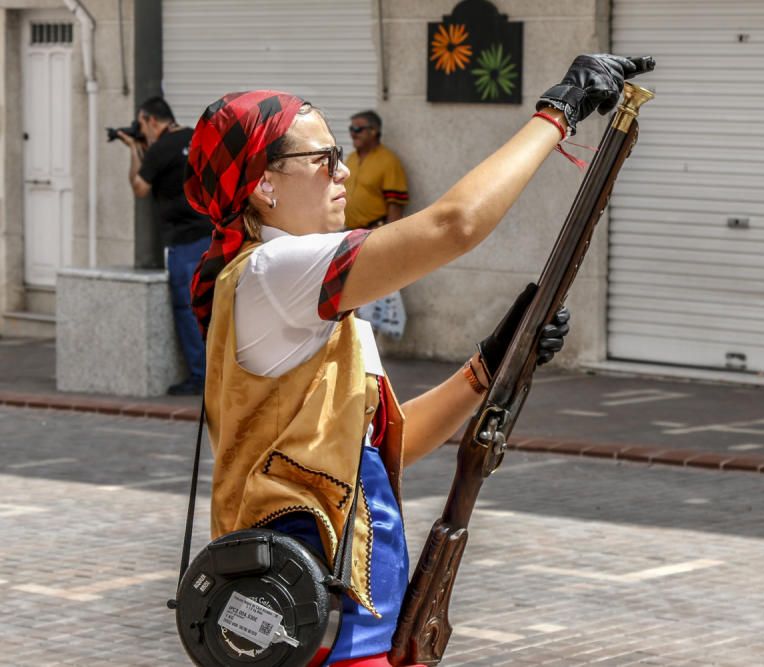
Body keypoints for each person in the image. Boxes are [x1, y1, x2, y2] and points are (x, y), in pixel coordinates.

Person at [184, 54, 640, 666]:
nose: (343, 172)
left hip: (355, 619)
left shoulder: (295, 288)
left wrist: (488, 367)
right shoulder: (274, 270)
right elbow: (456, 225)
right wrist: (557, 114)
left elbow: (380, 451)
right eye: (324, 159)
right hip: (319, 628)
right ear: (263, 185)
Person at [118, 96, 213, 396]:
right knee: (213, 308)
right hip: (213, 234)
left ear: (149, 120)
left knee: (187, 309)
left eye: (142, 124)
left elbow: (139, 187)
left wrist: (135, 150)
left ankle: (200, 376)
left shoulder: (159, 149)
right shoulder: (196, 137)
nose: (141, 130)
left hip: (185, 241)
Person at [344, 110, 408, 231]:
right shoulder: (351, 157)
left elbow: (395, 206)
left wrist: (388, 236)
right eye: (351, 129)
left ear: (373, 131)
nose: (353, 134)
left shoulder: (388, 160)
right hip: (349, 231)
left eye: (358, 129)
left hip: (374, 232)